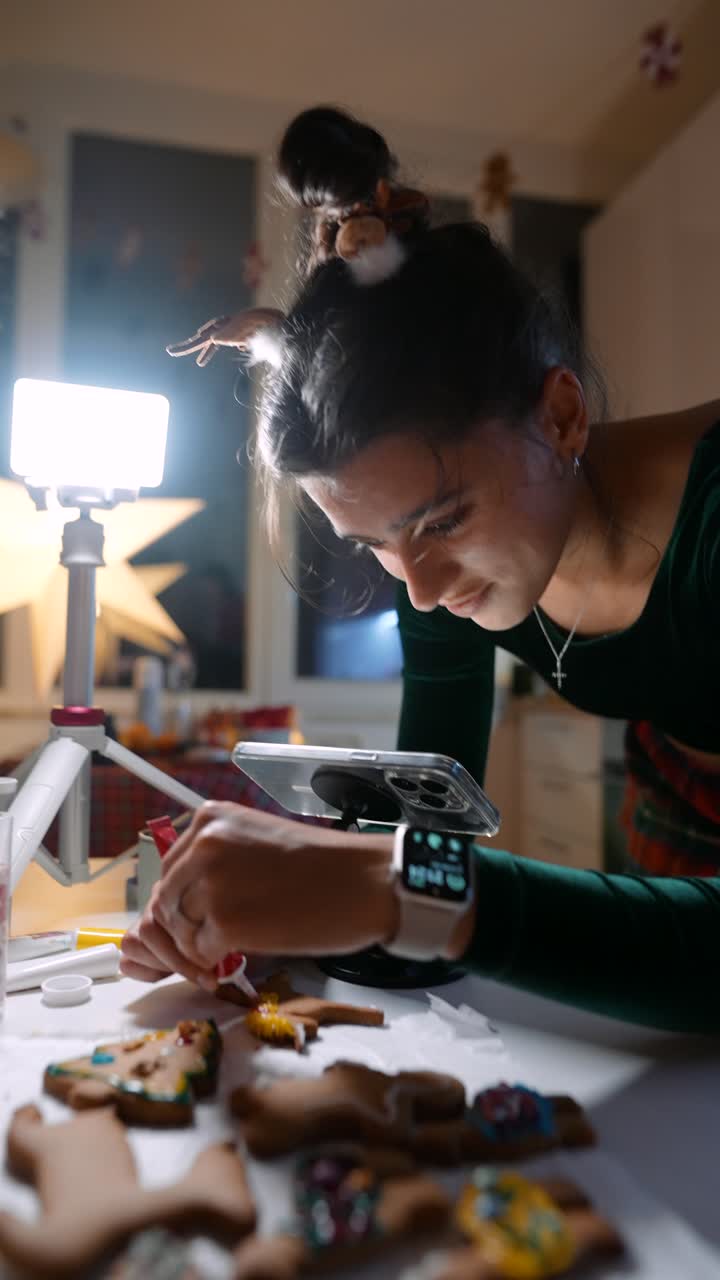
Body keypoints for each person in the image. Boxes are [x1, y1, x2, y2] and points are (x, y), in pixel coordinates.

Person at [121, 107, 720, 1034]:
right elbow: (427, 824)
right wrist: (301, 911)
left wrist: (387, 887)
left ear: (561, 417)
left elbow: (418, 878)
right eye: (374, 545)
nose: (424, 591)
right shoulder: (440, 572)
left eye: (444, 520)